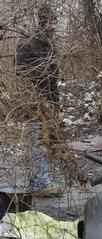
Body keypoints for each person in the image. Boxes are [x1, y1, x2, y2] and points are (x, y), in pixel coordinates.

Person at [15, 4, 61, 196]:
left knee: (42, 142)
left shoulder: (49, 45)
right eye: (52, 22)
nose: (55, 26)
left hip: (46, 101)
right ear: (42, 22)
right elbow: (22, 76)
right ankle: (41, 184)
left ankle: (40, 181)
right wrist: (36, 102)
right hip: (32, 102)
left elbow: (53, 76)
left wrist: (55, 104)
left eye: (56, 22)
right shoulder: (27, 44)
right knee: (36, 143)